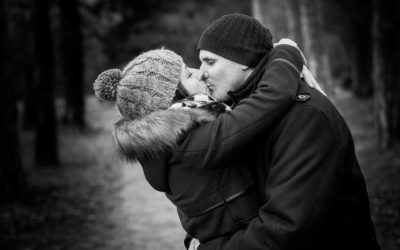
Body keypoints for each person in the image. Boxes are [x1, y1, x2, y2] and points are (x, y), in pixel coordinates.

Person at [169, 13, 380, 250]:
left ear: (244, 59)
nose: (201, 72)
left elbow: (284, 229)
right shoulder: (240, 111)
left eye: (210, 61)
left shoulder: (304, 117)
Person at [93, 41, 310, 245]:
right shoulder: (198, 140)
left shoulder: (173, 141)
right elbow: (271, 98)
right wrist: (285, 51)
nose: (201, 73)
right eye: (189, 75)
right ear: (173, 99)